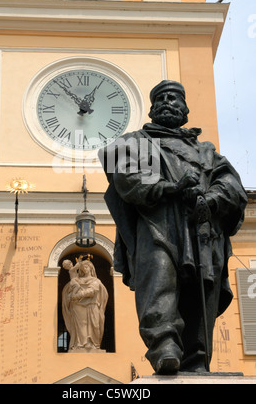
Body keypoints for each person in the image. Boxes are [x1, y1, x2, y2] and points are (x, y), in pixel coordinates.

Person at [99, 80, 247, 374]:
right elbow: (126, 179)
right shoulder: (131, 142)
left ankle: (196, 357)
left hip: (203, 227)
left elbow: (233, 185)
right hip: (158, 222)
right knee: (160, 282)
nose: (168, 101)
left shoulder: (207, 151)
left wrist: (212, 199)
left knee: (202, 287)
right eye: (161, 98)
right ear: (152, 110)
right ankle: (164, 346)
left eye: (175, 98)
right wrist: (172, 188)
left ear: (185, 109)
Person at [62, 258, 108, 352]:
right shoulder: (77, 279)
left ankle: (94, 344)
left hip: (92, 304)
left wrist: (77, 295)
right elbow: (70, 289)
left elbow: (92, 291)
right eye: (83, 267)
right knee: (81, 325)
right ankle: (81, 344)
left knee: (95, 324)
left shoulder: (96, 281)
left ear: (91, 268)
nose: (84, 269)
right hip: (77, 305)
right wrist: (71, 295)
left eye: (86, 266)